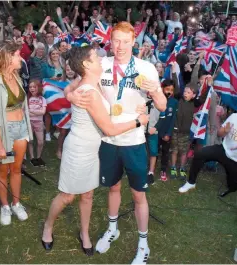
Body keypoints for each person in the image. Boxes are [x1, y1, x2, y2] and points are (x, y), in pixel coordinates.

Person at [66, 22, 166, 264]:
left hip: (133, 141)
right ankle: (113, 229)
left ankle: (143, 244)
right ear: (110, 41)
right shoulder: (103, 65)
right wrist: (70, 96)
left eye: (125, 41)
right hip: (107, 140)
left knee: (138, 195)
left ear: (134, 42)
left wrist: (154, 92)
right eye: (116, 40)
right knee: (112, 188)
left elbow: (162, 105)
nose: (119, 46)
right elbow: (72, 86)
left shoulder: (146, 68)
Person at [41, 45, 149, 256]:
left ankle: (85, 233)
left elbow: (68, 88)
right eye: (95, 57)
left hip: (94, 149)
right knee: (67, 196)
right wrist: (138, 122)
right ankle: (48, 226)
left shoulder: (93, 80)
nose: (101, 59)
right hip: (79, 149)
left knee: (88, 195)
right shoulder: (88, 91)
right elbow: (108, 129)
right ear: (86, 64)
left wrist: (69, 93)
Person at [0, 41, 33, 226]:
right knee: (3, 170)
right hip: (4, 132)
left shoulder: (15, 75)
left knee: (17, 169)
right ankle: (5, 206)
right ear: (6, 57)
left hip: (20, 127)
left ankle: (16, 203)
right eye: (18, 55)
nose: (21, 58)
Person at [179, 113, 237, 193]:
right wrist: (225, 131)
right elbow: (219, 134)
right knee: (200, 154)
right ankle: (191, 182)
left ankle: (235, 181)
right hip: (224, 150)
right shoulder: (234, 116)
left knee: (233, 187)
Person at [28, 80, 46, 167]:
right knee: (30, 140)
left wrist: (31, 111)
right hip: (29, 122)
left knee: (40, 142)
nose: (32, 88)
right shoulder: (27, 99)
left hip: (39, 122)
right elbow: (26, 113)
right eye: (30, 87)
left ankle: (39, 157)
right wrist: (37, 111)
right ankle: (32, 158)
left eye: (34, 87)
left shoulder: (43, 99)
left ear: (38, 88)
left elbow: (43, 112)